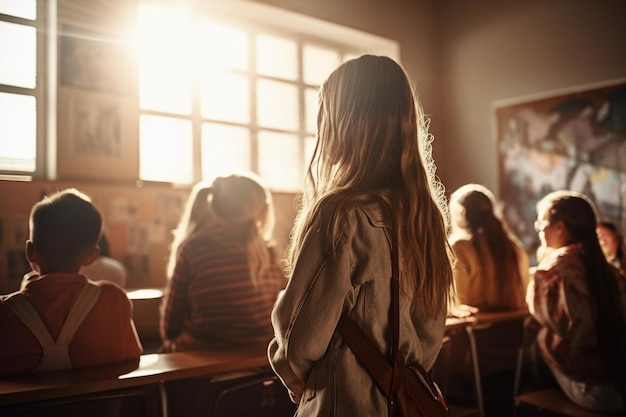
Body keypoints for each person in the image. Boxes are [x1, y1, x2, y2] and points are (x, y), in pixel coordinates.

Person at [268, 55, 453, 416]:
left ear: (343, 123)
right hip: (403, 403)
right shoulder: (426, 218)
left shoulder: (341, 213)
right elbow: (430, 341)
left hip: (343, 402)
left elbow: (299, 340)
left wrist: (300, 386)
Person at [0, 188, 143, 376]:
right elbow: (133, 360)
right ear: (92, 256)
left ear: (30, 252)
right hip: (97, 407)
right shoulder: (114, 301)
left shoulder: (5, 313)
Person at [160, 172, 285, 352]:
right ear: (261, 212)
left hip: (203, 352)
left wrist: (169, 341)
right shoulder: (268, 252)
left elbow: (171, 325)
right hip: (260, 354)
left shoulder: (192, 249)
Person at [526, 190, 626, 413]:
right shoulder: (611, 271)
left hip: (588, 387)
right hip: (617, 382)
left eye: (541, 222)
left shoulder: (551, 272)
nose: (539, 229)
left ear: (560, 227)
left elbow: (543, 319)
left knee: (534, 338)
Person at [448, 183, 530, 311]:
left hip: (475, 327)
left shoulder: (459, 247)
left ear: (460, 213)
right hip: (516, 326)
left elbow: (458, 304)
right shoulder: (514, 247)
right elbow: (525, 295)